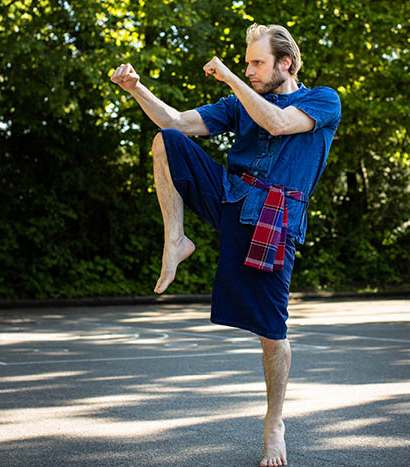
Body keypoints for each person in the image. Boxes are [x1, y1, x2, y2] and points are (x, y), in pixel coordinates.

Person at [111, 23, 341, 467]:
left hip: (272, 217)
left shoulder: (322, 100)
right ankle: (176, 240)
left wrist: (232, 78)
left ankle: (274, 423)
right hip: (230, 195)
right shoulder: (239, 103)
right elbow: (176, 121)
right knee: (167, 142)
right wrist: (137, 89)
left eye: (257, 63)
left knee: (272, 332)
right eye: (247, 63)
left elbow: (275, 123)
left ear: (285, 63)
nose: (250, 70)